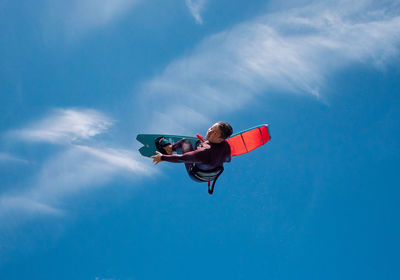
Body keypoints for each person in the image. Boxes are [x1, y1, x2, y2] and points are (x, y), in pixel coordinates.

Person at [151, 122, 233, 192]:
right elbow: (228, 159)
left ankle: (169, 149)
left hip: (195, 175)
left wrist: (162, 157)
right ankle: (200, 147)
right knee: (201, 148)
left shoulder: (203, 152)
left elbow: (182, 158)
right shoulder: (226, 146)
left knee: (184, 142)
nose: (209, 131)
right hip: (211, 177)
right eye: (211, 128)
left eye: (214, 133)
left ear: (220, 139)